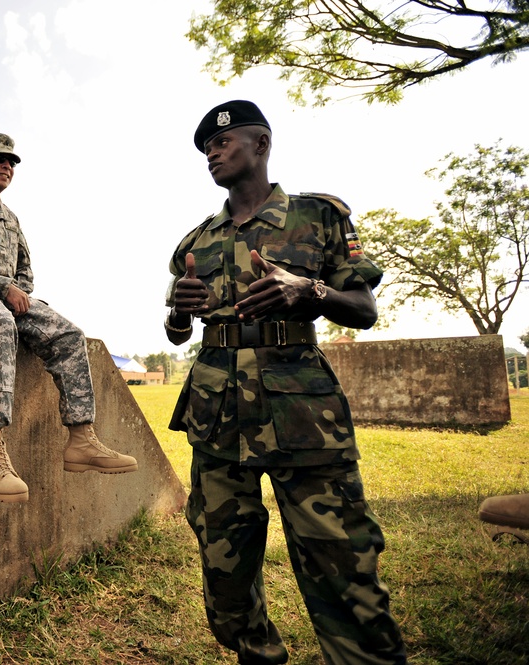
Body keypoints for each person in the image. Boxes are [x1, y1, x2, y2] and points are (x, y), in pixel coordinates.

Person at [164, 100, 408, 664]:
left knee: (341, 564)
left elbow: (364, 308)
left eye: (223, 143)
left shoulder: (318, 217)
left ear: (261, 145)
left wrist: (310, 291)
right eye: (206, 149)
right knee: (225, 570)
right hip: (217, 414)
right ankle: (259, 655)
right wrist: (179, 312)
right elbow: (177, 332)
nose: (212, 154)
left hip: (302, 414)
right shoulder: (194, 243)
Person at [0, 132, 137, 503]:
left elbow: (26, 272)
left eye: (12, 162)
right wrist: (2, 286)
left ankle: (82, 438)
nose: (6, 166)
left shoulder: (10, 219)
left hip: (5, 298)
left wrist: (15, 290)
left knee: (68, 334)